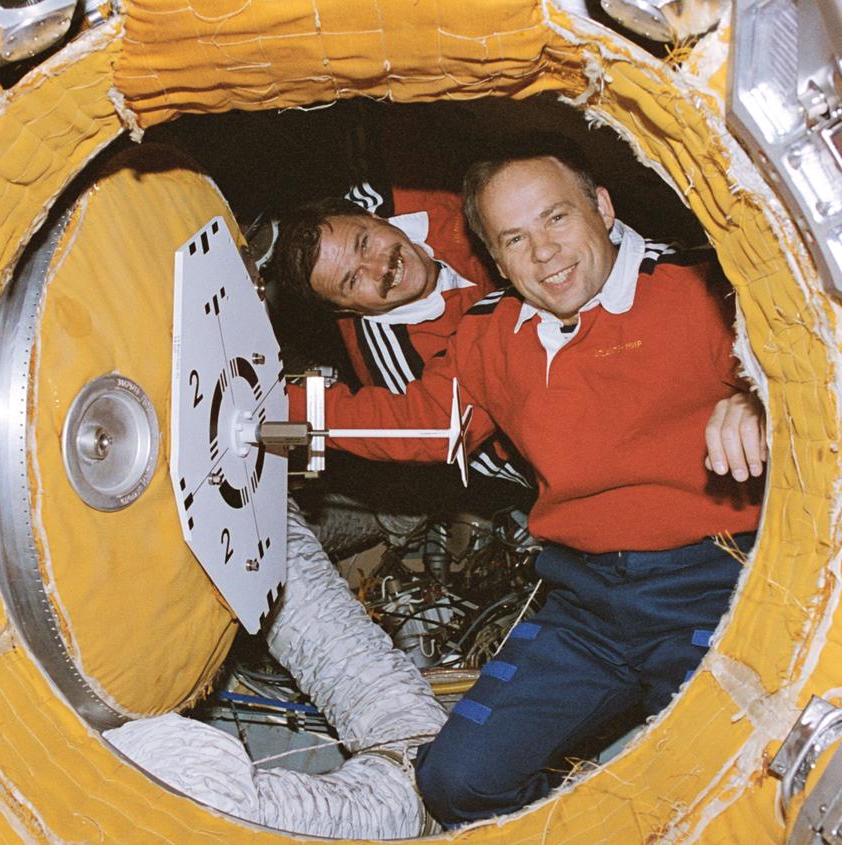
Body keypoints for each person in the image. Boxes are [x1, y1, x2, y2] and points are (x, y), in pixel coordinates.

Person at [285, 142, 766, 826]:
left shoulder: (701, 289)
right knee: (454, 782)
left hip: (709, 580)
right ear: (496, 260)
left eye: (557, 219)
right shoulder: (491, 333)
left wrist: (759, 397)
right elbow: (423, 423)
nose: (544, 255)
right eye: (516, 240)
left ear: (601, 208)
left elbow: (812, 369)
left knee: (718, 773)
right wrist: (277, 409)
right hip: (586, 605)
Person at [267, 196, 532, 490]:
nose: (381, 267)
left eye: (364, 243)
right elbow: (441, 431)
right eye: (353, 280)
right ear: (345, 310)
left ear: (375, 216)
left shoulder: (412, 192)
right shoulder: (404, 363)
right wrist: (280, 402)